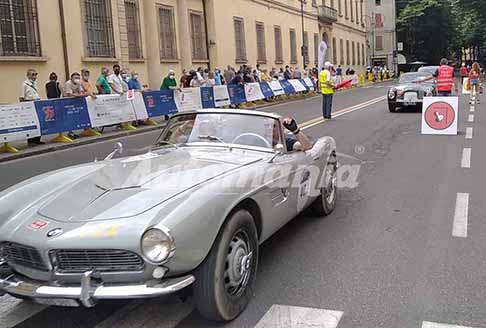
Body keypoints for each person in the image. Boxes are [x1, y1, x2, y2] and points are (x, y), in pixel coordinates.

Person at [20, 68, 44, 146]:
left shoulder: (35, 83)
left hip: (36, 103)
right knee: (31, 123)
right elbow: (22, 97)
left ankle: (37, 139)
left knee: (38, 122)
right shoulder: (24, 84)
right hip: (29, 104)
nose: (35, 76)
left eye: (36, 74)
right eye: (33, 74)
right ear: (28, 75)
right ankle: (31, 141)